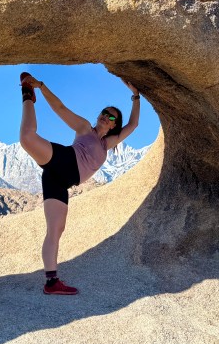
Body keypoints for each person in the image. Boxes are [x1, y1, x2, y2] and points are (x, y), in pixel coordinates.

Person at [19, 72, 140, 295]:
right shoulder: (85, 128)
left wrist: (135, 95)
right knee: (27, 138)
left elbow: (133, 125)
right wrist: (41, 86)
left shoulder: (108, 143)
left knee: (56, 229)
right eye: (105, 113)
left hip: (61, 179)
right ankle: (27, 93)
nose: (106, 117)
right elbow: (61, 109)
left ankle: (51, 282)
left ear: (114, 126)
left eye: (111, 117)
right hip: (65, 161)